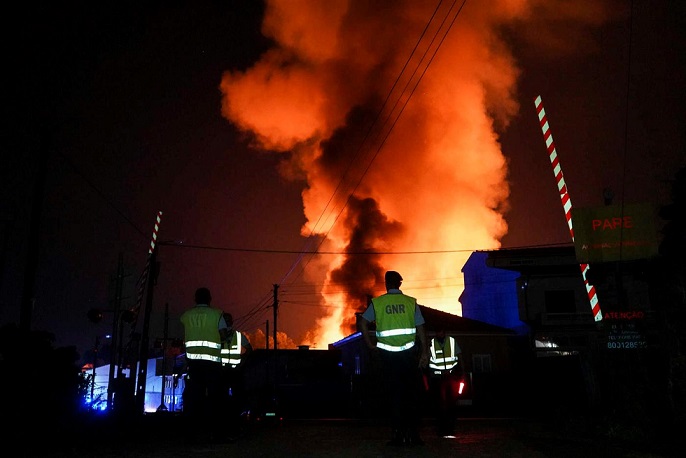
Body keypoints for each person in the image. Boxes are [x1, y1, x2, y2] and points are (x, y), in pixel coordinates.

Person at [359, 270, 429, 447]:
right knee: (411, 395)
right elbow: (421, 328)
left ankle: (398, 435)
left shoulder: (378, 303)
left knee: (394, 396)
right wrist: (424, 352)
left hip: (388, 356)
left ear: (386, 283)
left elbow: (363, 322)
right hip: (408, 355)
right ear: (400, 284)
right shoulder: (410, 302)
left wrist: (370, 343)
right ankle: (413, 435)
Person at [180, 287, 229, 443]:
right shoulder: (217, 314)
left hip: (193, 363)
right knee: (217, 399)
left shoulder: (186, 315)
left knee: (193, 398)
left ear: (195, 299)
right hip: (212, 364)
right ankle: (218, 435)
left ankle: (190, 435)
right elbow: (223, 335)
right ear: (210, 299)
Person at [220, 312, 253, 438]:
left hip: (232, 372)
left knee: (235, 400)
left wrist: (241, 362)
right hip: (226, 372)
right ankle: (229, 426)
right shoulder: (233, 335)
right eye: (226, 320)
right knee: (225, 400)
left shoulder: (237, 336)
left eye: (228, 320)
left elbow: (250, 350)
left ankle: (234, 426)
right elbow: (249, 350)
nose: (227, 322)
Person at [427, 328, 464, 438]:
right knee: (439, 404)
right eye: (437, 331)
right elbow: (428, 359)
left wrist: (462, 370)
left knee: (451, 403)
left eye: (441, 331)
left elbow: (459, 356)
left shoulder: (451, 341)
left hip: (451, 377)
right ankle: (441, 429)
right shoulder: (431, 343)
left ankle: (450, 428)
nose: (439, 333)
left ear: (444, 332)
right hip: (437, 378)